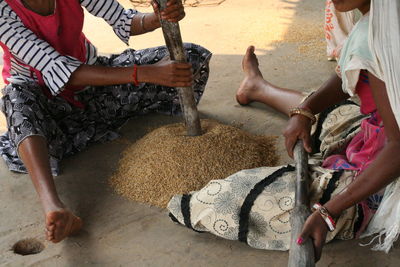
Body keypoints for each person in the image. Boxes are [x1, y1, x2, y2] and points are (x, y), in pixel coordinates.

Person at [167, 0, 400, 262]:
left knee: (222, 201)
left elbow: (398, 148)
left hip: (387, 174)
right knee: (331, 112)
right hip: (377, 130)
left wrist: (329, 211)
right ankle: (257, 87)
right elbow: (353, 70)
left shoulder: (383, 38)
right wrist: (306, 110)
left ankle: (259, 89)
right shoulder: (378, 20)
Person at [0, 0, 211, 243]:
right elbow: (59, 69)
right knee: (16, 102)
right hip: (43, 106)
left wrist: (159, 17)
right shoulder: (3, 11)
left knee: (190, 58)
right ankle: (54, 206)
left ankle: (87, 124)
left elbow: (124, 20)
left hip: (92, 90)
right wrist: (144, 73)